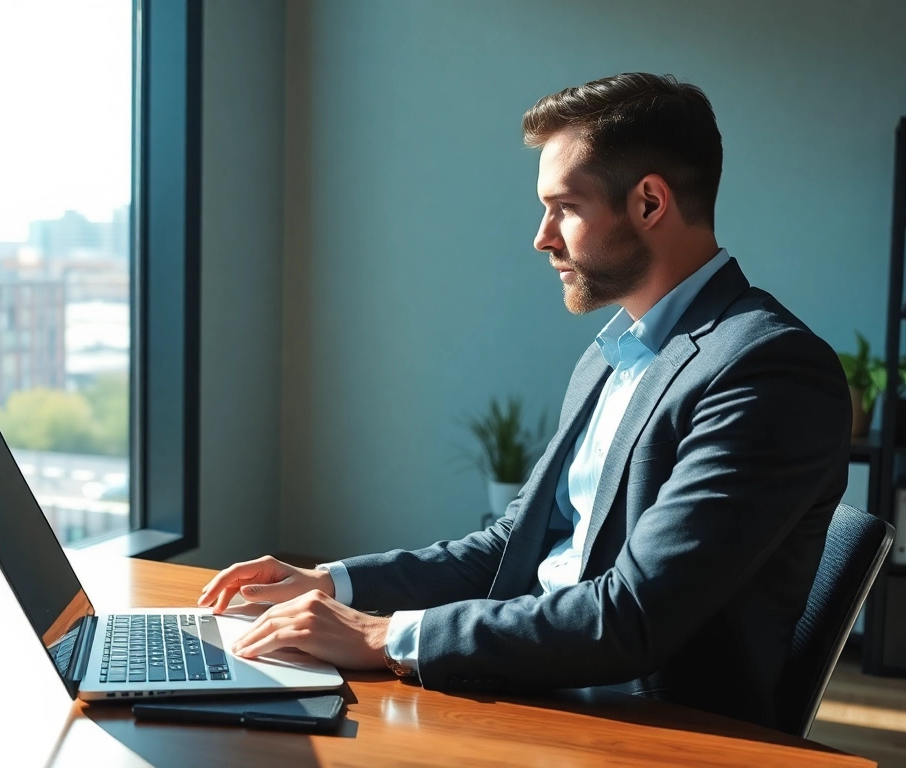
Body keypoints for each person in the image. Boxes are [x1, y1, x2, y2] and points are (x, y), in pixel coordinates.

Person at [198, 72, 849, 728]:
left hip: (636, 725)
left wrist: (381, 636)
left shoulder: (767, 370)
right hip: (537, 683)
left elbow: (632, 618)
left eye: (564, 207)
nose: (543, 237)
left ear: (650, 203)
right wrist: (333, 585)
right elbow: (515, 543)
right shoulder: (614, 353)